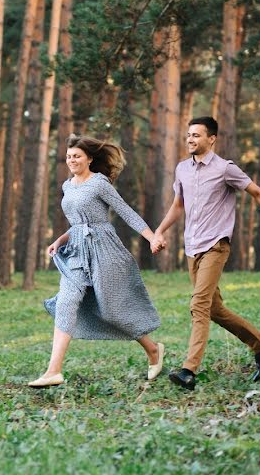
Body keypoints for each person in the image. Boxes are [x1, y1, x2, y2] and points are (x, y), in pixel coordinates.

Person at [152, 116, 260, 391]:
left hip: (216, 245)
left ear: (212, 139)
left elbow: (257, 192)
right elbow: (178, 205)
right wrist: (158, 232)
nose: (190, 139)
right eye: (188, 134)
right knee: (214, 309)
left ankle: (189, 370)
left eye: (196, 135)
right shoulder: (182, 169)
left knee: (198, 305)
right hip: (193, 247)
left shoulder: (225, 169)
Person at [28, 135, 165, 388]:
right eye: (69, 156)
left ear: (89, 159)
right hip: (78, 253)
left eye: (77, 156)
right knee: (67, 302)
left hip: (104, 250)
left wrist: (151, 237)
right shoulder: (67, 186)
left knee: (112, 310)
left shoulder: (99, 183)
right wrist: (60, 240)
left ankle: (153, 350)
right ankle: (53, 371)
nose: (72, 160)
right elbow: (77, 224)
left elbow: (126, 212)